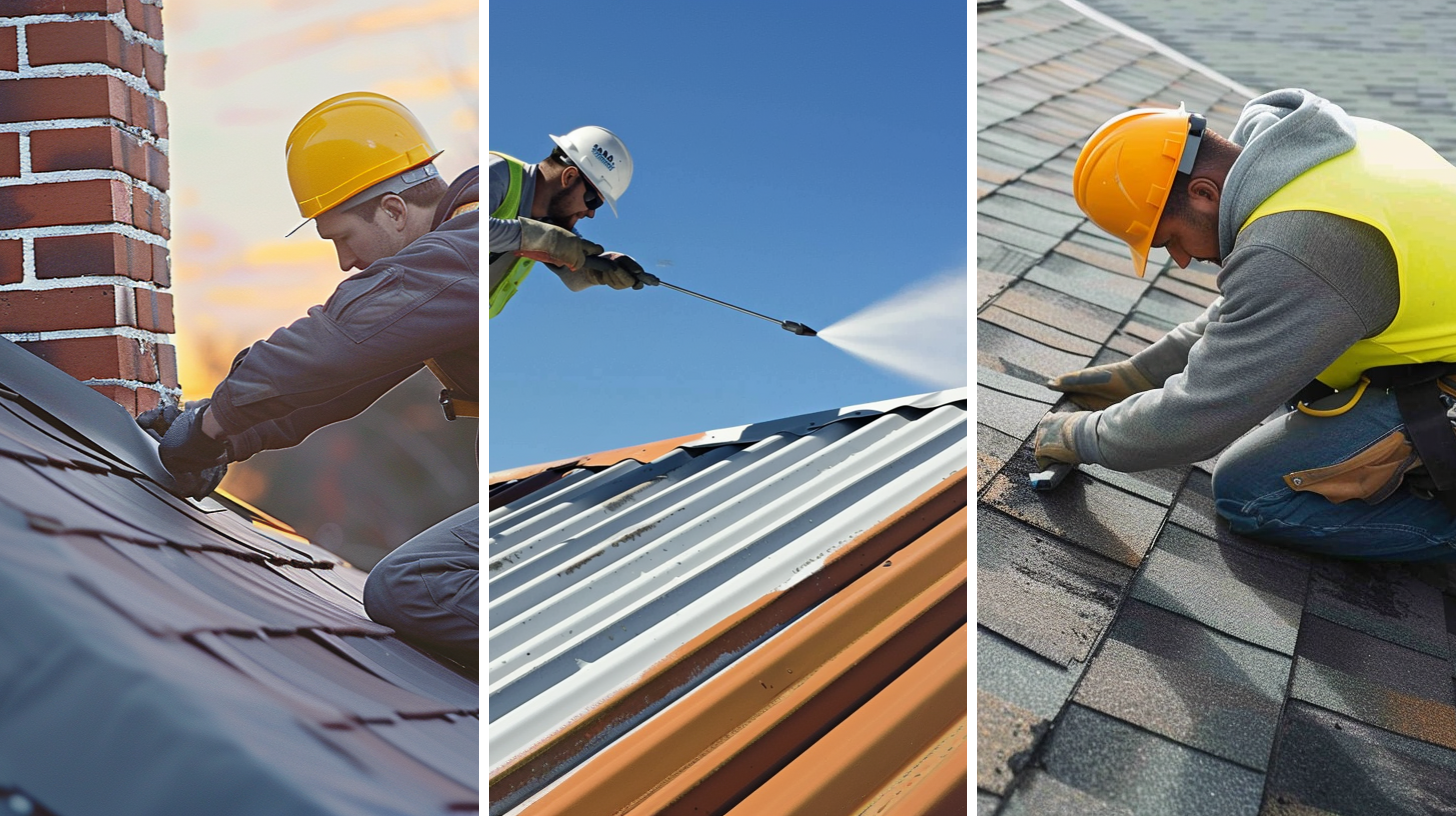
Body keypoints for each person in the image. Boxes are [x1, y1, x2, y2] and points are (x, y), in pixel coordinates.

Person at [1035, 88, 1456, 562]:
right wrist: (1142, 373)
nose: (1181, 259)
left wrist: (1079, 435)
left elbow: (1197, 419)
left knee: (1249, 491)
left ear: (1203, 193)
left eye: (1169, 239)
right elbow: (1254, 310)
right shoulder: (1307, 154)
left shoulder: (1298, 241)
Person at [140, 91, 481, 659]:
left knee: (413, 586)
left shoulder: (469, 251)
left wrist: (211, 424)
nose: (346, 263)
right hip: (553, 482)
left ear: (395, 211)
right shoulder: (458, 268)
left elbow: (335, 342)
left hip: (576, 485)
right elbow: (339, 383)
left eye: (344, 238)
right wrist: (228, 436)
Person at [488, 126, 656, 318]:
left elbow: (573, 275)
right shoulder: (496, 172)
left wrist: (600, 270)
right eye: (593, 200)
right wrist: (545, 239)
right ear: (569, 176)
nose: (591, 213)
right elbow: (466, 230)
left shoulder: (551, 227)